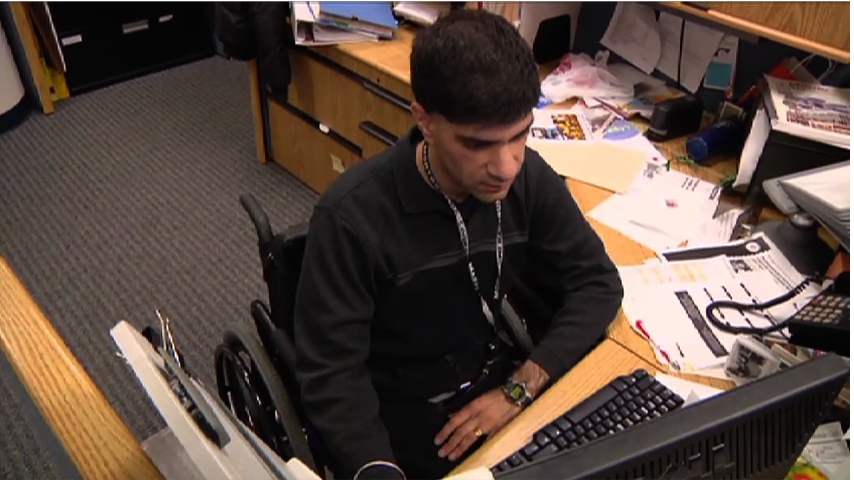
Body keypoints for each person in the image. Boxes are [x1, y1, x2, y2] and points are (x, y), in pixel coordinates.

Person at [293, 10, 624, 480]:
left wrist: (518, 390)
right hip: (404, 412)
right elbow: (332, 374)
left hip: (499, 382)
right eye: (479, 145)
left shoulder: (527, 179)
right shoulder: (351, 219)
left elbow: (599, 284)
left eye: (520, 136)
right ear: (425, 121)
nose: (507, 166)